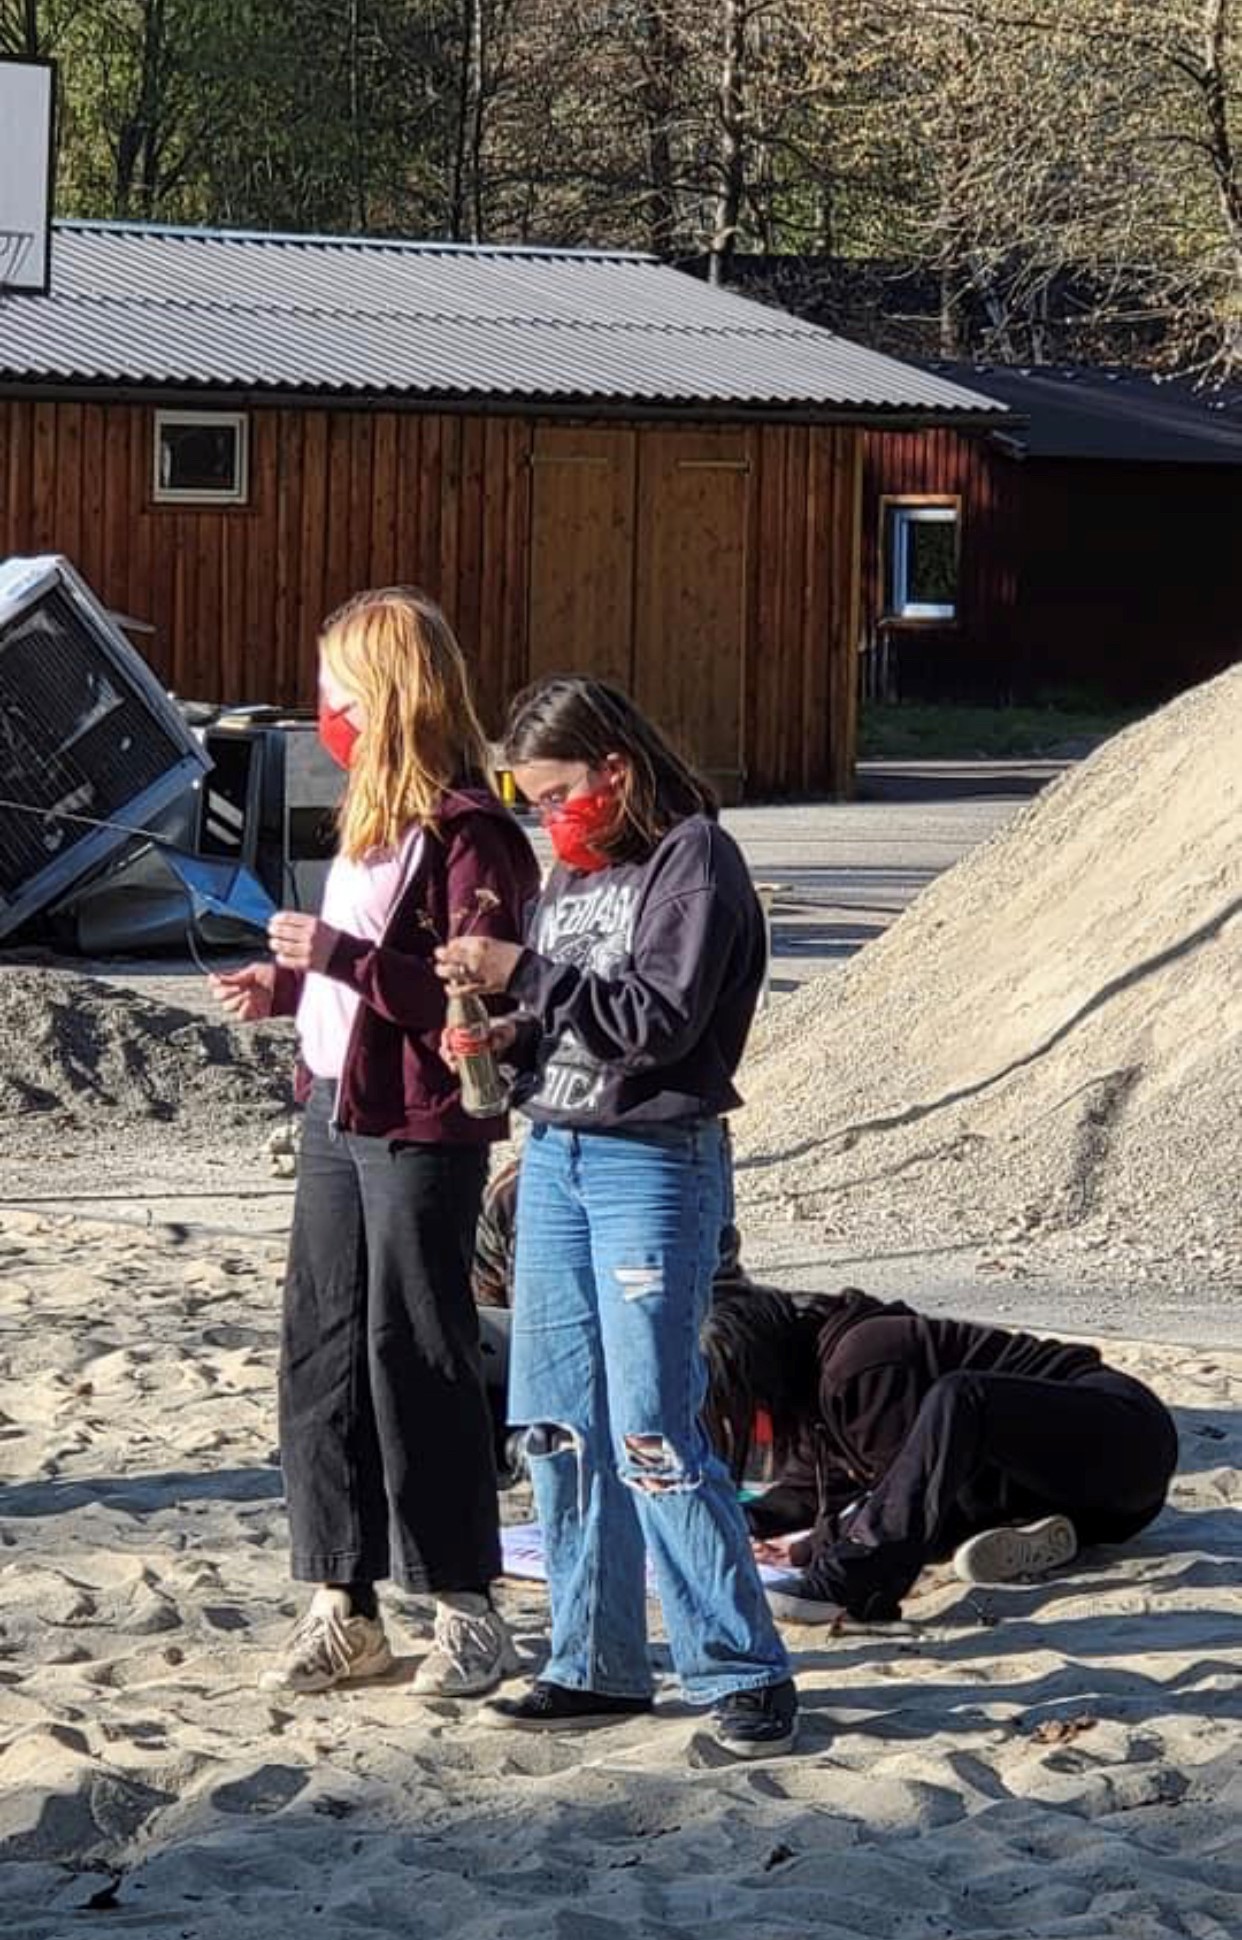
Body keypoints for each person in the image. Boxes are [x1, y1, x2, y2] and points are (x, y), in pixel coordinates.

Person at [435, 676, 798, 1758]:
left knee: (651, 1428)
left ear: (615, 770)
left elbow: (660, 1022)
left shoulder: (696, 861)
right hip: (557, 1149)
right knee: (556, 1424)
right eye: (533, 799)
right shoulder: (574, 871)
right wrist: (504, 1032)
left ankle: (741, 1665)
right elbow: (573, 1018)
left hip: (654, 1159)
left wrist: (526, 972)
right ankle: (593, 1660)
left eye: (558, 794)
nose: (549, 816)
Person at [210, 587, 540, 1698]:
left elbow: (474, 989)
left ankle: (464, 1603)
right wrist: (285, 983)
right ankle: (340, 1601)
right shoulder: (367, 820)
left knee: (418, 1351)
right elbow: (349, 970)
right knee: (321, 1347)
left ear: (391, 695)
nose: (326, 711)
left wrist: (341, 959)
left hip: (418, 1119)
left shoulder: (470, 832)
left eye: (338, 692)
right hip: (333, 1109)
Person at [700, 1276, 1179, 1623]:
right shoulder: (818, 1387)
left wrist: (814, 1549)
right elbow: (817, 1481)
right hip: (1086, 1504)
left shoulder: (862, 1362)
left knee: (960, 1401)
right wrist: (738, 1521)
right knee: (941, 1499)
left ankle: (853, 1582)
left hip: (1125, 1439)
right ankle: (1040, 1536)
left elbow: (901, 1490)